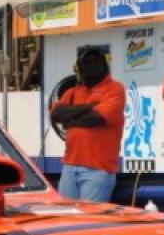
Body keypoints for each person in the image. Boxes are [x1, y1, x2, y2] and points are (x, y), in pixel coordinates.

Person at [49, 48, 126, 203]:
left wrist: (71, 120)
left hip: (98, 170)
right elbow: (56, 114)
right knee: (65, 216)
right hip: (69, 167)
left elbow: (96, 118)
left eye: (96, 61)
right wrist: (89, 106)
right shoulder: (72, 92)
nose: (92, 65)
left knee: (90, 217)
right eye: (87, 62)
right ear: (80, 68)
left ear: (105, 66)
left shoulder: (115, 89)